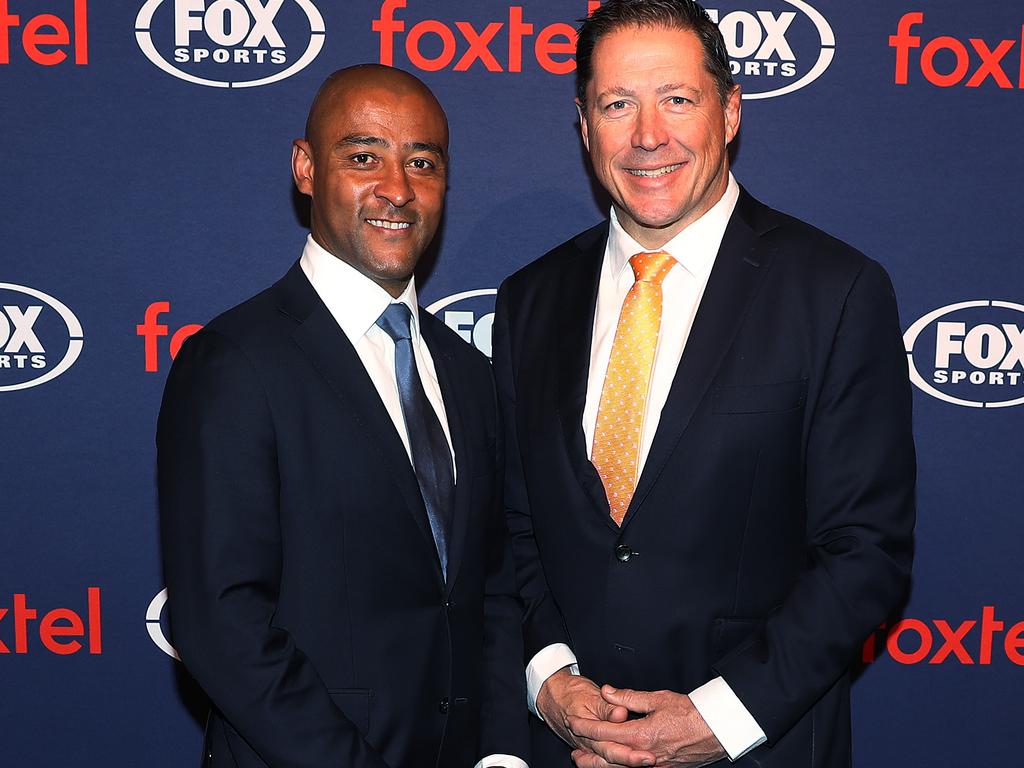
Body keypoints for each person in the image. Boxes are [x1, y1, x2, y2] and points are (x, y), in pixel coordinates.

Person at [491, 1, 916, 766]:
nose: (648, 135)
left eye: (677, 99)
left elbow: (864, 552)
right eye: (618, 104)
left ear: (729, 112)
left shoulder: (835, 290)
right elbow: (514, 526)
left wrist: (713, 721)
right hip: (569, 748)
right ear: (585, 125)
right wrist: (551, 681)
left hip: (760, 746)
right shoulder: (530, 297)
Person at [158, 65, 527, 768]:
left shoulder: (469, 373)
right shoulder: (234, 362)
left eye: (422, 161)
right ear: (305, 168)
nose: (397, 187)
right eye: (363, 157)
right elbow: (221, 623)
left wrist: (504, 752)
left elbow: (495, 590)